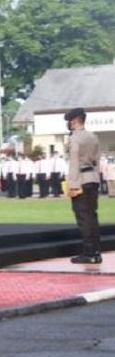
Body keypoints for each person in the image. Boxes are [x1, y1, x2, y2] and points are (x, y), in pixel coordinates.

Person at [64, 108, 102, 264]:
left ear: (74, 121)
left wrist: (72, 184)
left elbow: (73, 162)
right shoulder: (92, 136)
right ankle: (96, 251)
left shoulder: (75, 138)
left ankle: (89, 252)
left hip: (80, 179)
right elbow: (97, 160)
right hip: (92, 177)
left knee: (83, 217)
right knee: (92, 216)